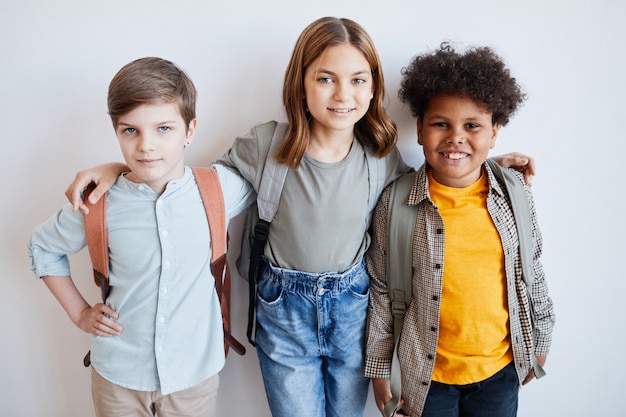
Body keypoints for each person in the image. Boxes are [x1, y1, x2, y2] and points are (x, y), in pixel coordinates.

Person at [62, 19, 535, 417]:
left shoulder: (380, 157)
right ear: (301, 83)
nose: (342, 94)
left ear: (373, 89)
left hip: (353, 312)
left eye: (357, 79)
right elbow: (187, 186)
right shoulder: (267, 146)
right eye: (325, 78)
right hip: (282, 314)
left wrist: (491, 165)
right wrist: (120, 169)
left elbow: (438, 177)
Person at [27, 57, 254, 417]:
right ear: (116, 131)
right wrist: (80, 313)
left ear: (189, 130)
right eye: (130, 130)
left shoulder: (218, 188)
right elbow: (41, 247)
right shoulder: (98, 202)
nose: (146, 145)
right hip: (118, 377)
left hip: (193, 377)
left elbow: (271, 174)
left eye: (164, 128)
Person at [364, 43, 555, 417]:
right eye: (441, 124)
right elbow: (382, 291)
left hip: (500, 369)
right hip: (425, 378)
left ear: (494, 132)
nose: (456, 137)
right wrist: (379, 369)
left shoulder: (515, 196)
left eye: (472, 126)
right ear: (419, 129)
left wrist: (541, 338)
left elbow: (532, 270)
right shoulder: (396, 204)